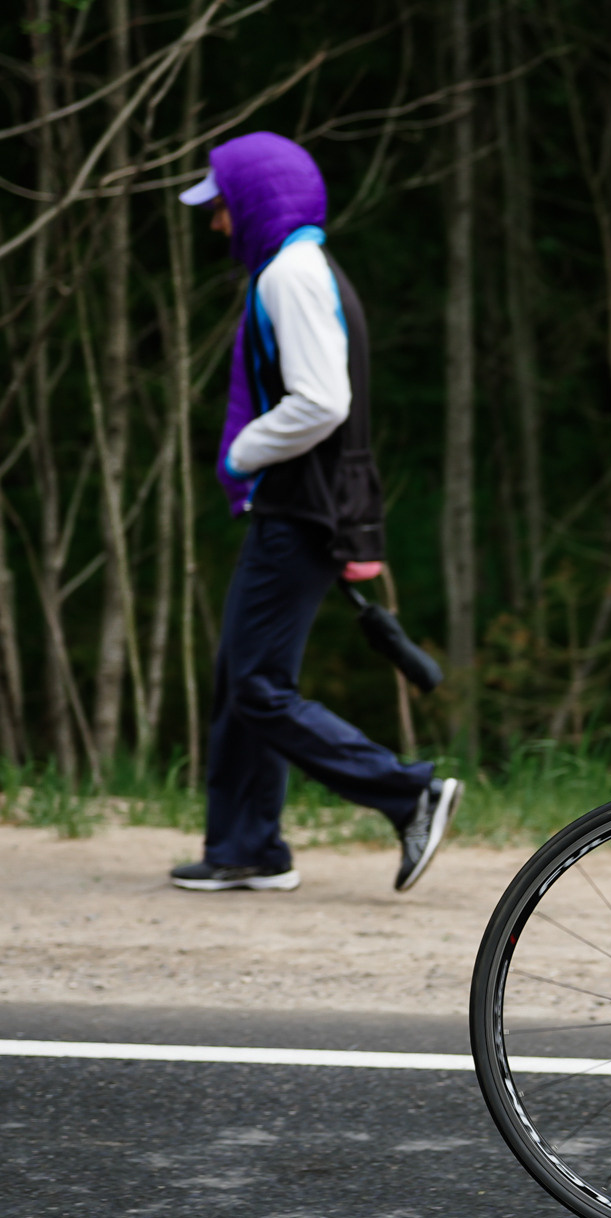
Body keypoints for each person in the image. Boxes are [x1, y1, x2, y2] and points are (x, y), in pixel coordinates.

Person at [168, 131, 461, 894]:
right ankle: (245, 845)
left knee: (259, 685)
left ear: (254, 203)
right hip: (306, 505)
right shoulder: (298, 268)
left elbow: (322, 402)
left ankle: (409, 793)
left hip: (301, 507)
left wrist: (243, 452)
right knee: (245, 672)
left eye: (223, 207)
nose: (217, 224)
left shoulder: (288, 276)